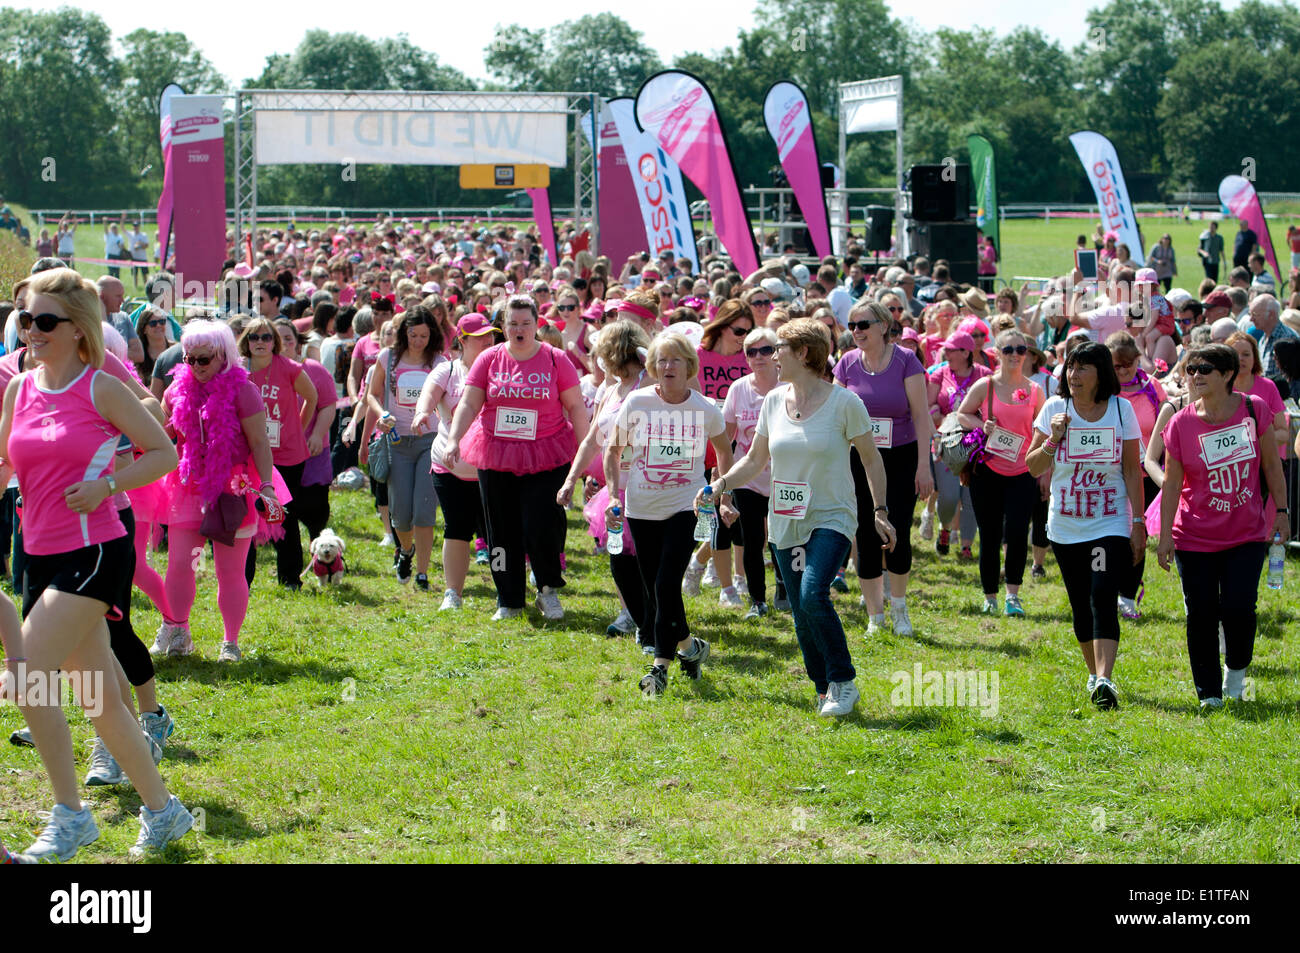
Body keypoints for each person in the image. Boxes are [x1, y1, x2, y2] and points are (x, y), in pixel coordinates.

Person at [0, 267, 193, 860]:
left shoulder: (101, 388)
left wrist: (110, 484)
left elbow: (161, 450)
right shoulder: (20, 390)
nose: (32, 331)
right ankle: (165, 813)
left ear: (79, 328)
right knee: (99, 700)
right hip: (38, 553)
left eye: (46, 322)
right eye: (27, 320)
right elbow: (4, 465)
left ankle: (70, 816)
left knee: (29, 674)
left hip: (96, 551)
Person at [702, 318, 897, 716]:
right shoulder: (773, 401)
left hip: (832, 516)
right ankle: (822, 686)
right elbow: (756, 460)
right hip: (786, 521)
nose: (772, 357)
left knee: (813, 593)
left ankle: (844, 681)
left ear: (803, 353)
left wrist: (879, 510)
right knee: (800, 609)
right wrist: (720, 484)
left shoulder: (846, 403)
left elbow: (872, 460)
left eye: (779, 349)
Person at [1155, 344, 1288, 711]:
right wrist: (1165, 536)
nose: (1195, 375)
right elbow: (1171, 484)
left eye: (1205, 369)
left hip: (1245, 532)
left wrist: (1282, 511)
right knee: (1200, 613)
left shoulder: (1252, 409)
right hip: (1194, 535)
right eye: (1192, 368)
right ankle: (1209, 694)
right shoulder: (1180, 422)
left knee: (1239, 608)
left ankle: (1235, 676)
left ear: (1227, 375)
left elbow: (1272, 468)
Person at [443, 295, 589, 621]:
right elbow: (468, 404)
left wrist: (586, 451)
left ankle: (548, 588)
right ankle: (507, 597)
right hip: (496, 453)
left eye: (525, 323)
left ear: (536, 324)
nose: (519, 330)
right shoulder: (489, 359)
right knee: (498, 531)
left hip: (546, 453)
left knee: (542, 524)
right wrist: (454, 439)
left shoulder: (555, 358)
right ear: (503, 326)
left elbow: (576, 407)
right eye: (512, 324)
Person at [604, 332, 734, 696]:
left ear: (689, 365)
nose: (668, 366)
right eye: (661, 360)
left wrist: (721, 492)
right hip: (641, 508)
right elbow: (612, 451)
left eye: (675, 359)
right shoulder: (638, 402)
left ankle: (659, 669)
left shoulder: (706, 409)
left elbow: (725, 453)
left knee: (665, 584)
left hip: (686, 505)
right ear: (653, 366)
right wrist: (614, 495)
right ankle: (691, 649)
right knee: (656, 589)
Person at [1026, 342, 1145, 710]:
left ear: (1101, 373)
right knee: (1080, 603)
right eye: (1070, 368)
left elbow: (1131, 470)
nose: (1073, 375)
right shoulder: (1053, 409)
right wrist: (1053, 439)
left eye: (1083, 368)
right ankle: (1094, 675)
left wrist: (1138, 522)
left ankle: (1107, 677)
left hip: (1108, 523)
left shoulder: (1121, 411)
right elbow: (1032, 466)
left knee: (1102, 595)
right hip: (1064, 526)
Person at [157, 319, 284, 662]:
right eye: (190, 359)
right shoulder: (176, 391)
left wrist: (268, 487)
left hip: (234, 488)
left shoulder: (243, 391)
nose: (197, 367)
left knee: (229, 571)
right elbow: (160, 433)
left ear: (223, 356)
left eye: (205, 359)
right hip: (187, 486)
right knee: (181, 564)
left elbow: (259, 443)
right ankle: (177, 629)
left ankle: (230, 642)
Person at [833, 300, 933, 635]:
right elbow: (836, 419)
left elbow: (921, 416)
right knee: (864, 531)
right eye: (852, 326)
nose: (857, 332)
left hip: (901, 457)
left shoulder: (906, 360)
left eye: (863, 324)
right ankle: (876, 616)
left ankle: (900, 609)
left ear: (883, 325)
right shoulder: (846, 364)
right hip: (859, 459)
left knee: (898, 531)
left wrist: (924, 466)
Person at [557, 320, 653, 641]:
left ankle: (651, 624)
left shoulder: (650, 383)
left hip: (650, 488)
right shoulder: (609, 390)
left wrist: (649, 356)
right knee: (620, 560)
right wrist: (572, 479)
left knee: (645, 562)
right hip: (615, 492)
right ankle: (634, 616)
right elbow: (591, 440)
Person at [956, 329, 1047, 615]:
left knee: (1018, 533)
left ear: (1028, 354)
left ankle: (1013, 596)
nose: (1015, 355)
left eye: (1021, 349)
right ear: (997, 353)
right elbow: (962, 413)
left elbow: (1042, 431)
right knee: (991, 534)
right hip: (988, 471)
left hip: (1023, 471)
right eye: (1008, 350)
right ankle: (990, 596)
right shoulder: (986, 386)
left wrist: (1044, 472)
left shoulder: (1034, 390)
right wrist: (980, 425)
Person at [414, 313, 497, 611]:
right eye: (481, 338)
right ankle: (453, 593)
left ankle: (506, 589)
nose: (489, 341)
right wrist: (422, 413)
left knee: (498, 533)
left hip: (493, 468)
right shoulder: (447, 371)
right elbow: (428, 394)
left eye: (491, 336)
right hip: (450, 466)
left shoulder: (502, 369)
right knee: (457, 528)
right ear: (462, 341)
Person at [361, 306, 444, 590]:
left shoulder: (439, 362)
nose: (418, 340)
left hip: (428, 440)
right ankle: (405, 551)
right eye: (413, 334)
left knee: (424, 509)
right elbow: (372, 394)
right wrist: (382, 414)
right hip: (396, 441)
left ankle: (422, 572)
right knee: (401, 512)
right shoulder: (388, 357)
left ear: (432, 335)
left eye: (424, 335)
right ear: (403, 333)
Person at [682, 300, 755, 606]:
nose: (743, 337)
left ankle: (702, 565)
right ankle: (715, 576)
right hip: (702, 443)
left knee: (733, 511)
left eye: (748, 332)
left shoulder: (748, 358)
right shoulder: (698, 355)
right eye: (739, 330)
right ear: (723, 326)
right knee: (713, 509)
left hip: (739, 443)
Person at [239, 316, 318, 589]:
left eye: (266, 337)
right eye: (254, 337)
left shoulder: (290, 368)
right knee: (247, 512)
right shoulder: (238, 370)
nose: (260, 342)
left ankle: (289, 576)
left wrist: (298, 426)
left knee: (283, 513)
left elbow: (313, 396)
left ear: (275, 341)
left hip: (287, 454)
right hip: (248, 454)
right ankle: (242, 576)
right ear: (245, 342)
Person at [721, 326, 784, 617]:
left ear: (777, 353)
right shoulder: (739, 389)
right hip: (748, 475)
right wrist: (720, 482)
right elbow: (725, 441)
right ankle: (758, 600)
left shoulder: (788, 387)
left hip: (786, 476)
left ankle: (785, 589)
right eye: (752, 352)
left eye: (766, 350)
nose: (759, 357)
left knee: (783, 538)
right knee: (751, 539)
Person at [1108, 331, 1167, 619]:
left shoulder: (1151, 386)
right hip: (1107, 475)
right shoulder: (1101, 388)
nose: (1122, 371)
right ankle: (1105, 590)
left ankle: (1127, 596)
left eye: (1127, 364)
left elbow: (1168, 424)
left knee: (1137, 533)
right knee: (1110, 535)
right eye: (1116, 365)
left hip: (1143, 475)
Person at [928, 331, 991, 561]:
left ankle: (966, 545)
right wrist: (942, 418)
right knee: (948, 496)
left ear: (966, 352)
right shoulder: (940, 373)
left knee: (970, 498)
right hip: (947, 442)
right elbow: (929, 404)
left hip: (977, 444)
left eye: (951, 349)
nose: (946, 353)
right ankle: (945, 527)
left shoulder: (984, 374)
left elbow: (992, 405)